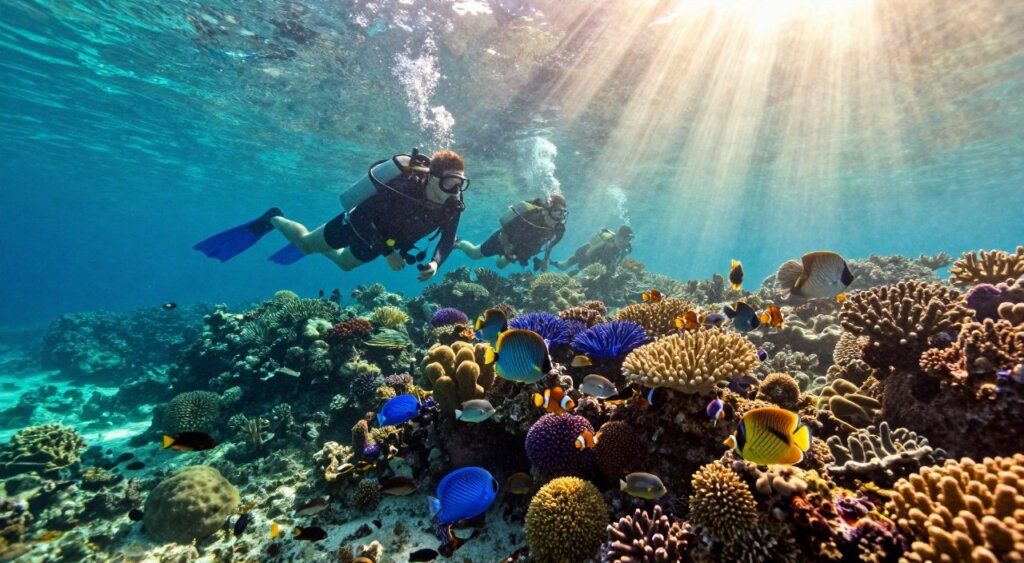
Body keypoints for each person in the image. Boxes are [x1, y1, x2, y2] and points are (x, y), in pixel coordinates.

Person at [193, 149, 468, 282]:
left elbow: (448, 240)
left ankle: (318, 235)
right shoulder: (403, 187)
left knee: (344, 265)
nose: (454, 191)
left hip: (384, 244)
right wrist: (387, 252)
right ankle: (273, 218)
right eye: (449, 184)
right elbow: (360, 214)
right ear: (431, 178)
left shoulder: (452, 205)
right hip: (357, 228)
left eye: (460, 185)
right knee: (305, 246)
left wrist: (435, 264)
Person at [456, 194, 567, 271]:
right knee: (474, 254)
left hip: (520, 247)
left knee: (500, 265)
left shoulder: (559, 227)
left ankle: (501, 255)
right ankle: (458, 243)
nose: (559, 219)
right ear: (546, 212)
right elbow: (504, 230)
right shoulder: (530, 216)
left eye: (563, 214)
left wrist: (546, 259)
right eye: (557, 213)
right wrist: (506, 246)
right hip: (504, 238)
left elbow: (553, 242)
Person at [555, 225, 633, 274]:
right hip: (584, 252)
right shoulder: (607, 240)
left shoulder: (626, 248)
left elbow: (618, 262)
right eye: (624, 238)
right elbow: (589, 253)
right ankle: (554, 263)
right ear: (617, 236)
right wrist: (583, 269)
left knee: (578, 273)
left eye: (629, 239)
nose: (625, 242)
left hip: (597, 260)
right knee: (566, 265)